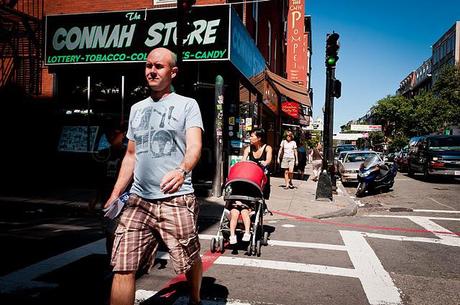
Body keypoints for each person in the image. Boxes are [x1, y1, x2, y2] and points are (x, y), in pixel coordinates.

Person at [104, 47, 204, 305]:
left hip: (176, 198)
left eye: (158, 66)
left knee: (189, 259)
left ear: (173, 72)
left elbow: (194, 146)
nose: (152, 70)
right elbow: (130, 155)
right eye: (149, 65)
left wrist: (182, 170)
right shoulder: (137, 108)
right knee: (123, 265)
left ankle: (195, 297)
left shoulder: (187, 105)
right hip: (138, 200)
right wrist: (115, 194)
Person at [227, 128, 273, 245]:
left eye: (252, 136)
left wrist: (264, 163)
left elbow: (268, 160)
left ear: (259, 138)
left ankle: (253, 217)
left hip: (260, 177)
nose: (250, 138)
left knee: (257, 195)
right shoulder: (248, 149)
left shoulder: (267, 148)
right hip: (248, 178)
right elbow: (243, 162)